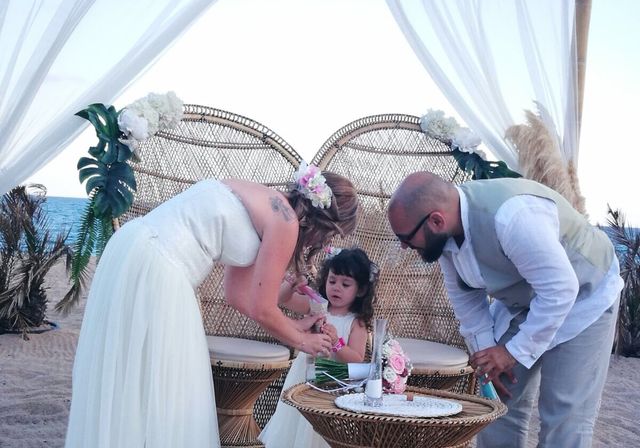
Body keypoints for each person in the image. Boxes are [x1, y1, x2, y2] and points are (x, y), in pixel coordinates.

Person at [65, 162, 358, 448]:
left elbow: (238, 296)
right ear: (325, 222)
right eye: (332, 234)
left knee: (132, 372)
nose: (324, 241)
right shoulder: (285, 223)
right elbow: (263, 308)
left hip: (132, 247)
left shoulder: (264, 199)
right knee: (167, 388)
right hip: (160, 269)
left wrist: (295, 325)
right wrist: (304, 341)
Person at [387, 171, 622, 448]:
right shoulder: (445, 234)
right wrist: (490, 359)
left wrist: (512, 352)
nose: (403, 246)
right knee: (498, 400)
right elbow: (468, 304)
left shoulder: (512, 218)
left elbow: (561, 289)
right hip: (524, 303)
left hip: (584, 297)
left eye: (405, 237)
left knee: (564, 414)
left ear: (436, 220)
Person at [259, 247, 377, 448]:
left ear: (361, 290)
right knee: (295, 420)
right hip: (302, 375)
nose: (336, 288)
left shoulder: (357, 322)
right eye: (332, 281)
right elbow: (282, 300)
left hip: (330, 381)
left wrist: (337, 343)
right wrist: (291, 285)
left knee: (318, 428)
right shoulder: (316, 306)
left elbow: (357, 359)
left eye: (345, 284)